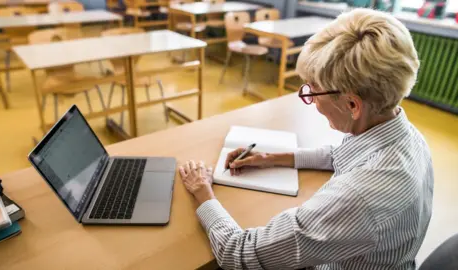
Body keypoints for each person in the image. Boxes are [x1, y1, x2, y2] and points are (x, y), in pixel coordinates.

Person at [179, 8, 434, 270]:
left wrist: (203, 191)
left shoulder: (359, 198)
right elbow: (341, 155)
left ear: (352, 105)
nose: (310, 100)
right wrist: (271, 158)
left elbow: (238, 252)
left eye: (313, 90)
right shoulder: (406, 136)